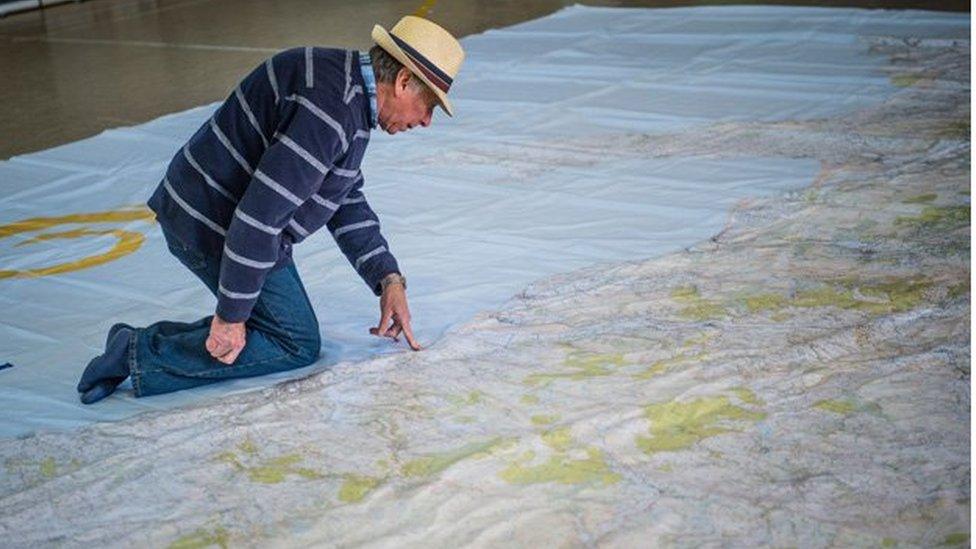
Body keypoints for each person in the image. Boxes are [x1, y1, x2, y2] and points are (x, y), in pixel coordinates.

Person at [76, 16, 465, 404]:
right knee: (293, 340)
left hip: (230, 216)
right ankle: (135, 354)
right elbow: (257, 220)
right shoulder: (330, 112)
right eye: (428, 106)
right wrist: (231, 317)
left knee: (276, 327)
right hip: (208, 220)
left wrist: (388, 279)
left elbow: (344, 197)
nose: (427, 122)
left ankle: (136, 345)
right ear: (401, 82)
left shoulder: (346, 93)